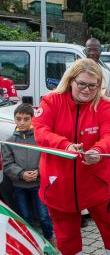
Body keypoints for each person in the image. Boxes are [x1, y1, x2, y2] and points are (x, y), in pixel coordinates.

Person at [32, 59, 110, 254]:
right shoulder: (51, 101)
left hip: (97, 184)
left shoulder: (104, 105)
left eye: (93, 86)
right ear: (70, 80)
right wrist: (65, 145)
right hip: (59, 185)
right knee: (67, 241)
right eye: (82, 84)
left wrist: (98, 150)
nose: (87, 90)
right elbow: (41, 131)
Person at [2, 103, 55, 243]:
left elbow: (47, 159)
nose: (22, 123)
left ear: (32, 119)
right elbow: (7, 164)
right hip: (19, 186)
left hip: (39, 184)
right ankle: (32, 242)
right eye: (18, 119)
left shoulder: (40, 139)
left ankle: (50, 239)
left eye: (26, 119)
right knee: (25, 216)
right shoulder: (9, 142)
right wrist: (21, 174)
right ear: (14, 119)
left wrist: (38, 172)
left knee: (44, 216)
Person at [85, 38, 110, 109]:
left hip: (98, 115)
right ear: (85, 51)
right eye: (89, 50)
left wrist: (101, 98)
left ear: (100, 51)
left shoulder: (106, 74)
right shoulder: (74, 71)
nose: (92, 53)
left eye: (95, 50)